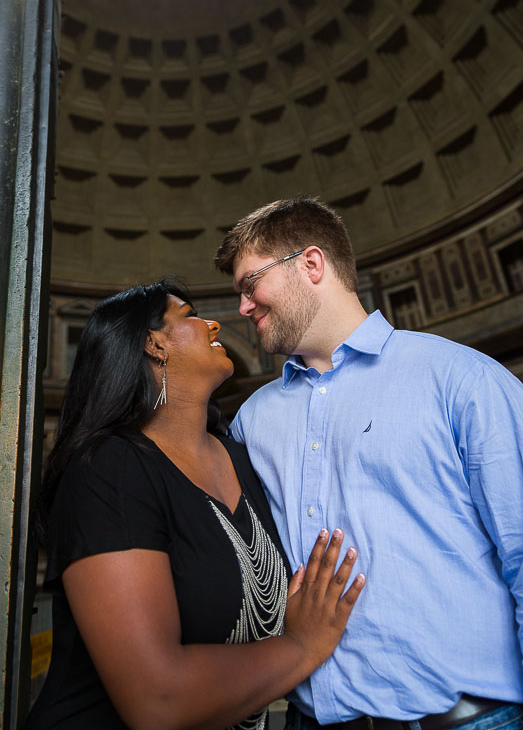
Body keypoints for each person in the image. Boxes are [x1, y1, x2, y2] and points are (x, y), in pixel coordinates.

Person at [214, 195, 523, 730]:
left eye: (250, 284)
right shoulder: (251, 422)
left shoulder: (461, 379)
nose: (242, 307)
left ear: (311, 264)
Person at [27, 278, 365, 730]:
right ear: (154, 344)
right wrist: (303, 645)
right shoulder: (109, 469)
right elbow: (157, 700)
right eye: (189, 316)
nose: (212, 324)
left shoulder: (244, 458)